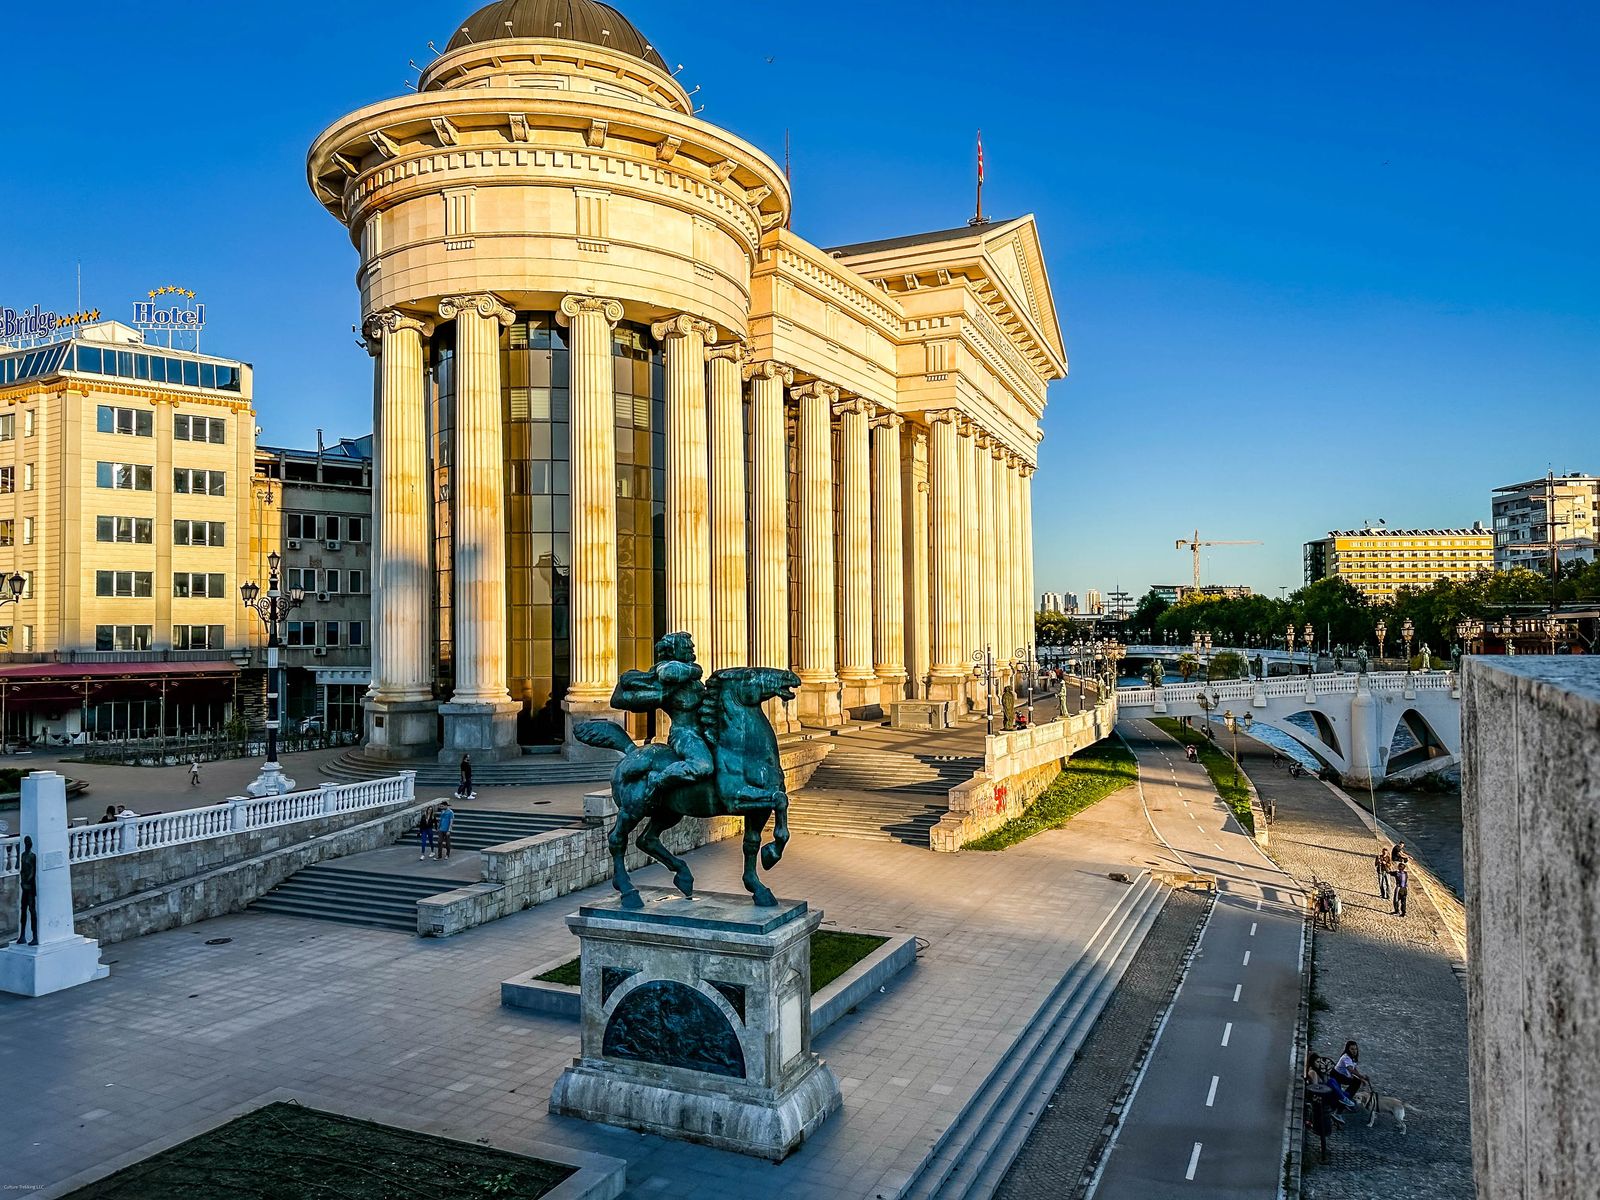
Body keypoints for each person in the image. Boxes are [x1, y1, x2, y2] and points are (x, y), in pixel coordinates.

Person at [16, 836, 38, 946]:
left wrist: (27, 882)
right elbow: (22, 870)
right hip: (25, 886)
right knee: (23, 910)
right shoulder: (23, 855)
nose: (27, 844)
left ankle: (35, 936)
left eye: (28, 842)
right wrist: (23, 882)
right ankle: (22, 935)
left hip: (30, 888)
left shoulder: (32, 856)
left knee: (32, 911)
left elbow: (32, 872)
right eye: (26, 842)